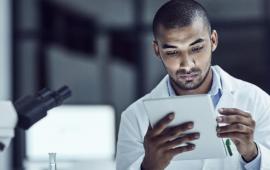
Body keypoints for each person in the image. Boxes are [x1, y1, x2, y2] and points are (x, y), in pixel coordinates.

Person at [116, 0, 270, 169]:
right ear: (157, 50)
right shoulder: (134, 119)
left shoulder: (257, 102)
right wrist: (148, 166)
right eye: (173, 52)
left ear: (213, 40)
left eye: (196, 48)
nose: (187, 64)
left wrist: (252, 154)